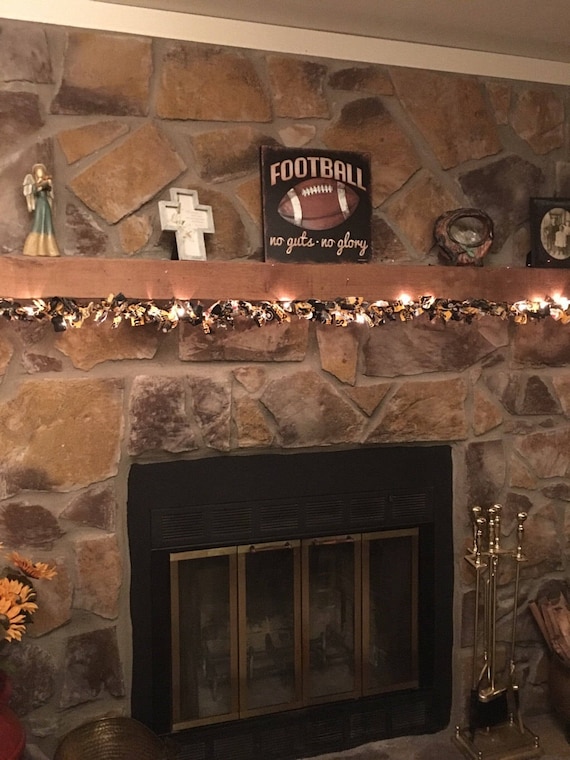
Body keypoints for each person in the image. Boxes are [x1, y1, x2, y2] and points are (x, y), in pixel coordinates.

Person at [22, 163, 60, 257]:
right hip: (39, 204)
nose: (40, 173)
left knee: (47, 223)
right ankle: (33, 247)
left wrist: (46, 184)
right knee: (38, 222)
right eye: (38, 172)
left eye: (41, 171)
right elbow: (34, 191)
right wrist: (39, 186)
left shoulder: (46, 182)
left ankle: (49, 248)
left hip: (45, 204)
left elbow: (49, 190)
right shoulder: (34, 184)